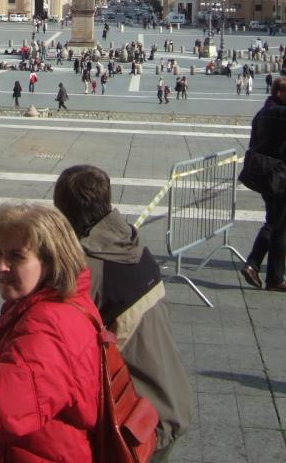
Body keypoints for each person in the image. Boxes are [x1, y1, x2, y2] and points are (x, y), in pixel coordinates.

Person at [53, 165, 193, 459]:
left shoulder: (88, 270)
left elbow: (59, 343)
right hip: (171, 399)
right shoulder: (132, 243)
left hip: (139, 422)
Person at [0, 203, 102, 462]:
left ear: (51, 262)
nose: (1, 266)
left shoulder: (48, 328)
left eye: (16, 257)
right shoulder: (64, 303)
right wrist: (5, 333)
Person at [240, 76, 286, 293]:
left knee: (274, 222)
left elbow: (268, 140)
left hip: (269, 174)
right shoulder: (276, 112)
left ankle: (257, 267)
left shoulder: (267, 111)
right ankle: (270, 275)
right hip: (281, 177)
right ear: (279, 92)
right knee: (281, 227)